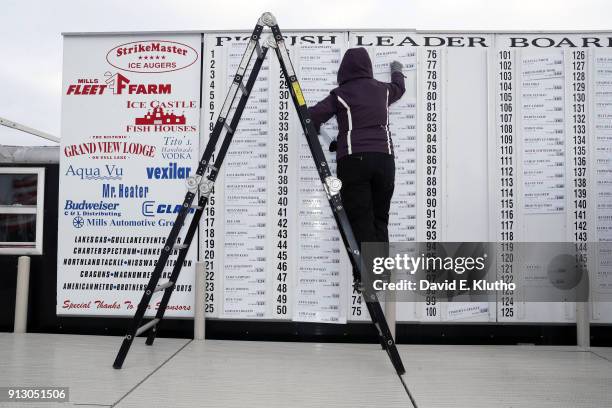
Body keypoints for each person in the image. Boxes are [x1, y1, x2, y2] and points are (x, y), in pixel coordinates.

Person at [308, 47, 405, 284]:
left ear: (344, 70)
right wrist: (397, 70)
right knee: (380, 218)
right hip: (385, 159)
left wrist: (333, 140)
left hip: (353, 160)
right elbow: (400, 89)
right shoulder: (383, 90)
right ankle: (381, 275)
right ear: (368, 67)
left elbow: (311, 117)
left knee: (360, 219)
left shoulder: (341, 94)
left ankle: (365, 276)